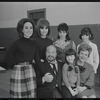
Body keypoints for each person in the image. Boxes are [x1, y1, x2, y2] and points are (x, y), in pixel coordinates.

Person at [4, 18, 40, 98]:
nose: (29, 30)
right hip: (18, 72)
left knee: (31, 95)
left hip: (30, 71)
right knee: (18, 95)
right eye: (26, 28)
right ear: (21, 30)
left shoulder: (34, 44)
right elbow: (7, 60)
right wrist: (17, 63)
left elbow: (38, 61)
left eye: (31, 28)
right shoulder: (16, 44)